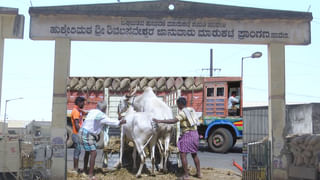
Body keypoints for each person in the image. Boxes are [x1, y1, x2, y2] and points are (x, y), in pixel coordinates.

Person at [153, 97, 201, 180]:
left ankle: (186, 175)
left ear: (180, 104)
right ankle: (199, 173)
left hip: (188, 135)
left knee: (182, 155)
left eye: (178, 104)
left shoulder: (182, 113)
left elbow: (173, 121)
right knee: (194, 154)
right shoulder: (191, 109)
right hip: (195, 134)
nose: (177, 106)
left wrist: (160, 121)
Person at [79, 101, 126, 180]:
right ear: (104, 108)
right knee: (93, 153)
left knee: (88, 152)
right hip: (87, 134)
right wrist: (120, 122)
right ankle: (90, 175)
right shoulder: (101, 115)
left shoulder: (93, 111)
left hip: (83, 131)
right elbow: (110, 122)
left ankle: (85, 169)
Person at [70, 96, 86, 173]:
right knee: (77, 150)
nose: (84, 104)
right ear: (79, 103)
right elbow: (76, 124)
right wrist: (81, 134)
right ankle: (75, 169)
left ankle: (76, 168)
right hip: (76, 134)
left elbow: (85, 112)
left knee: (78, 150)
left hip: (77, 134)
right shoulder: (75, 111)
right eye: (83, 102)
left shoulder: (78, 110)